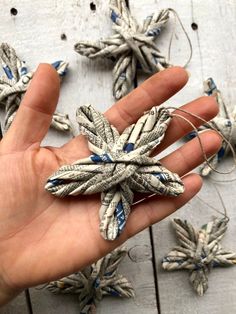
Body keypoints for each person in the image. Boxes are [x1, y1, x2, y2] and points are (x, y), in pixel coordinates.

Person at [0, 64, 220, 305]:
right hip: (117, 166)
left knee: (168, 185)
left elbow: (168, 182)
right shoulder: (114, 158)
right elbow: (59, 178)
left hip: (120, 166)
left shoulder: (128, 161)